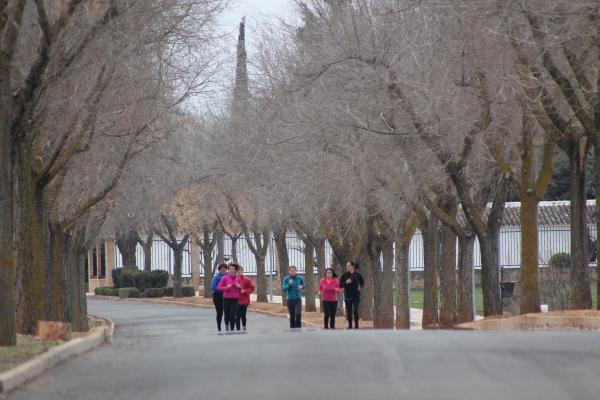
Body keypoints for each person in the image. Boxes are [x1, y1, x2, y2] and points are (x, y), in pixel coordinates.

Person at [339, 261, 365, 329]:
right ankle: (350, 326)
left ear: (353, 266)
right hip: (348, 295)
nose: (347, 267)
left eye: (349, 266)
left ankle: (356, 326)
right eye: (347, 266)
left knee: (356, 310)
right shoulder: (344, 275)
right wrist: (346, 282)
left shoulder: (358, 274)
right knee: (349, 311)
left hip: (356, 295)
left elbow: (362, 282)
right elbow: (340, 285)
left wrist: (360, 287)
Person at [217, 263, 242, 332]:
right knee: (226, 314)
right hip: (226, 298)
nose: (231, 270)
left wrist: (239, 286)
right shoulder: (224, 278)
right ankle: (227, 324)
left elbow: (241, 288)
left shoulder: (238, 278)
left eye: (233, 269)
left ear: (235, 270)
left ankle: (232, 328)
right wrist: (226, 288)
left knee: (232, 314)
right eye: (230, 269)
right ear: (228, 269)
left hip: (235, 299)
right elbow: (219, 287)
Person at [235, 266, 255, 331]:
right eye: (237, 271)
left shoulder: (246, 279)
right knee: (237, 314)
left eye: (240, 271)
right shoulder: (234, 279)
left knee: (243, 315)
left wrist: (245, 291)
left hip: (244, 300)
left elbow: (252, 287)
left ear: (242, 271)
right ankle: (238, 328)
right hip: (236, 300)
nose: (238, 272)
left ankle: (244, 325)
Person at [210, 263, 228, 332]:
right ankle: (219, 327)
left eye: (225, 269)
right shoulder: (217, 277)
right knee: (220, 312)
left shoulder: (228, 276)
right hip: (218, 296)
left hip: (226, 296)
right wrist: (223, 289)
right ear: (219, 270)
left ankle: (227, 325)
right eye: (222, 270)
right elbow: (213, 287)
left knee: (227, 312)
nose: (223, 271)